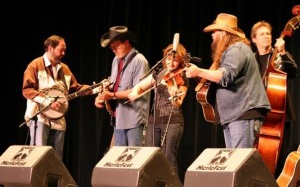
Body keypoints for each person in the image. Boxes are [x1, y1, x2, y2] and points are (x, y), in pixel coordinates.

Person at [184, 13, 271, 148]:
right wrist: (197, 74)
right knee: (234, 164)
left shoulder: (236, 48)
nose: (212, 35)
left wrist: (199, 71)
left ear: (223, 33)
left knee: (239, 164)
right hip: (234, 116)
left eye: (214, 31)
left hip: (243, 113)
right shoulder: (229, 51)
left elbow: (225, 76)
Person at [23, 35, 100, 159]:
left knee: (56, 160)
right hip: (40, 119)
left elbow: (76, 88)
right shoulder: (35, 65)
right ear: (50, 48)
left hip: (59, 120)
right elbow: (27, 90)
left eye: (65, 50)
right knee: (38, 158)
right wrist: (46, 101)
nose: (64, 53)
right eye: (61, 50)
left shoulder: (65, 69)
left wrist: (97, 89)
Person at [128, 43, 189, 174]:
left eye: (175, 60)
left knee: (168, 159)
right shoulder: (159, 73)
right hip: (154, 120)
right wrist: (135, 93)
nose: (171, 63)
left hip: (173, 121)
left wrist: (174, 96)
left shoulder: (182, 76)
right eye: (168, 59)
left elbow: (178, 103)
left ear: (180, 62)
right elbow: (140, 86)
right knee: (151, 158)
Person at [250, 20, 299, 177]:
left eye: (268, 33)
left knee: (279, 159)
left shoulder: (278, 55)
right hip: (257, 115)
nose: (266, 36)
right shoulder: (250, 60)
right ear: (254, 39)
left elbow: (293, 72)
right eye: (262, 34)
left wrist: (283, 52)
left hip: (279, 116)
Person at [94, 26, 150, 147]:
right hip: (118, 118)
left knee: (133, 159)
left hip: (133, 118)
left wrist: (113, 95)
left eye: (116, 46)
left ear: (127, 42)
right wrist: (102, 96)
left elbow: (139, 90)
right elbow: (113, 85)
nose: (114, 50)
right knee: (119, 161)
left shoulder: (140, 61)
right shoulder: (116, 60)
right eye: (111, 48)